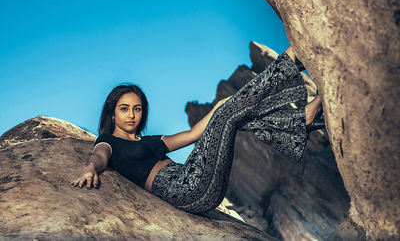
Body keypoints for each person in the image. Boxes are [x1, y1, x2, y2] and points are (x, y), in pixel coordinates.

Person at [71, 46, 324, 213]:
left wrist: (218, 107)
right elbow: (98, 155)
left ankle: (299, 118)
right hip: (186, 189)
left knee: (225, 108)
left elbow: (194, 135)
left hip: (200, 184)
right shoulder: (108, 140)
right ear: (112, 112)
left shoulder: (150, 141)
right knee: (227, 113)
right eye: (124, 108)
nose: (131, 115)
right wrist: (90, 168)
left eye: (137, 109)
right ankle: (290, 74)